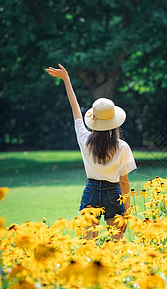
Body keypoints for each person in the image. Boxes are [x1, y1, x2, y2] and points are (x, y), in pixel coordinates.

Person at [45, 64, 137, 240]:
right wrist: (126, 213)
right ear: (115, 121)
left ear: (93, 120)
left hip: (91, 192)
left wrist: (67, 81)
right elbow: (124, 183)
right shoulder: (122, 147)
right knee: (116, 248)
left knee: (88, 246)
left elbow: (76, 110)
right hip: (114, 194)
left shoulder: (84, 139)